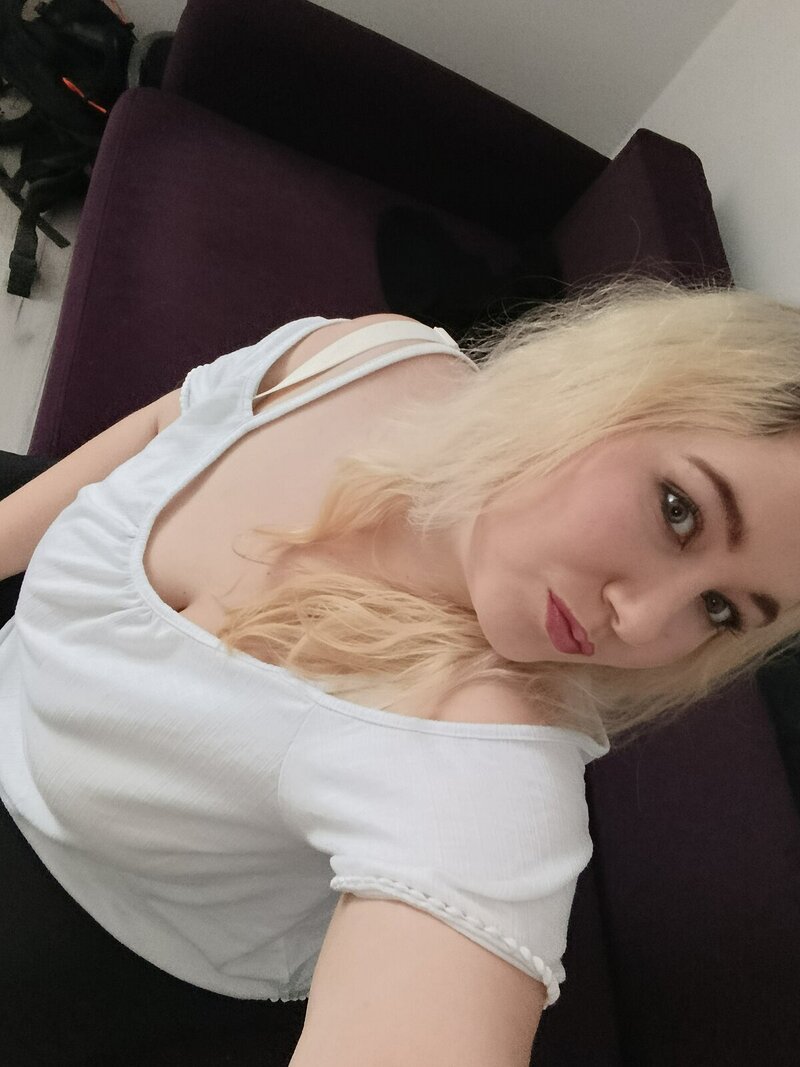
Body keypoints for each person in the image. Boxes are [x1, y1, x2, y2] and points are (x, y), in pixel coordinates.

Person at [2, 275, 800, 1065]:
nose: (644, 619)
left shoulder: (481, 758)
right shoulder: (371, 355)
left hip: (100, 915)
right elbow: (164, 430)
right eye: (678, 511)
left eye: (720, 610)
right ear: (610, 386)